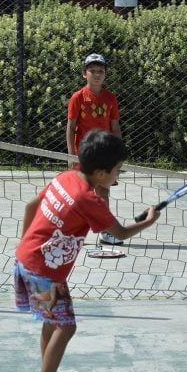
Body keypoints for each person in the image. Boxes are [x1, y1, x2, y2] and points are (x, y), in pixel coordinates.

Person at [15, 130, 160, 372]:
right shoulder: (88, 200)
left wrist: (25, 245)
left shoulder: (66, 178)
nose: (118, 176)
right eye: (117, 170)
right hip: (45, 272)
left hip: (29, 260)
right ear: (101, 172)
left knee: (52, 323)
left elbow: (31, 206)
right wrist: (149, 221)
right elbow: (118, 232)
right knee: (66, 327)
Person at [66, 53, 123, 245]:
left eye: (101, 71)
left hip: (105, 153)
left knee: (103, 192)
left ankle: (106, 231)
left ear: (105, 74)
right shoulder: (78, 98)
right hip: (84, 154)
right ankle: (70, 232)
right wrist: (70, 155)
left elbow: (115, 129)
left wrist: (117, 154)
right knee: (80, 194)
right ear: (84, 74)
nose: (97, 74)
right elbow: (71, 128)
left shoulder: (110, 98)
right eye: (92, 71)